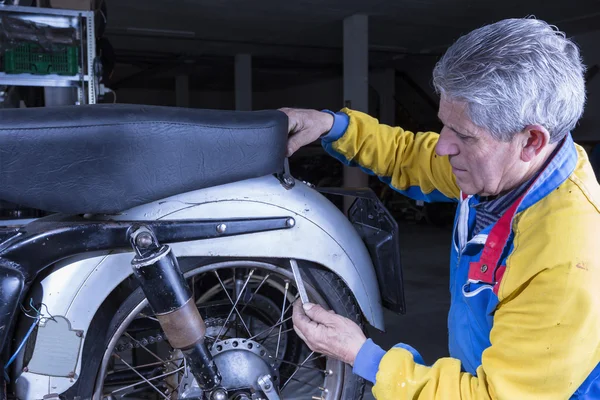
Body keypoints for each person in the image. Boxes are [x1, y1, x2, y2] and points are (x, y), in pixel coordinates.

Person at [283, 17, 600, 399]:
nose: (443, 146)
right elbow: (413, 157)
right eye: (445, 125)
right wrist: (331, 126)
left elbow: (492, 396)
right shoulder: (508, 169)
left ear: (531, 140)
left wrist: (362, 356)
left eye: (464, 135)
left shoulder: (566, 259)